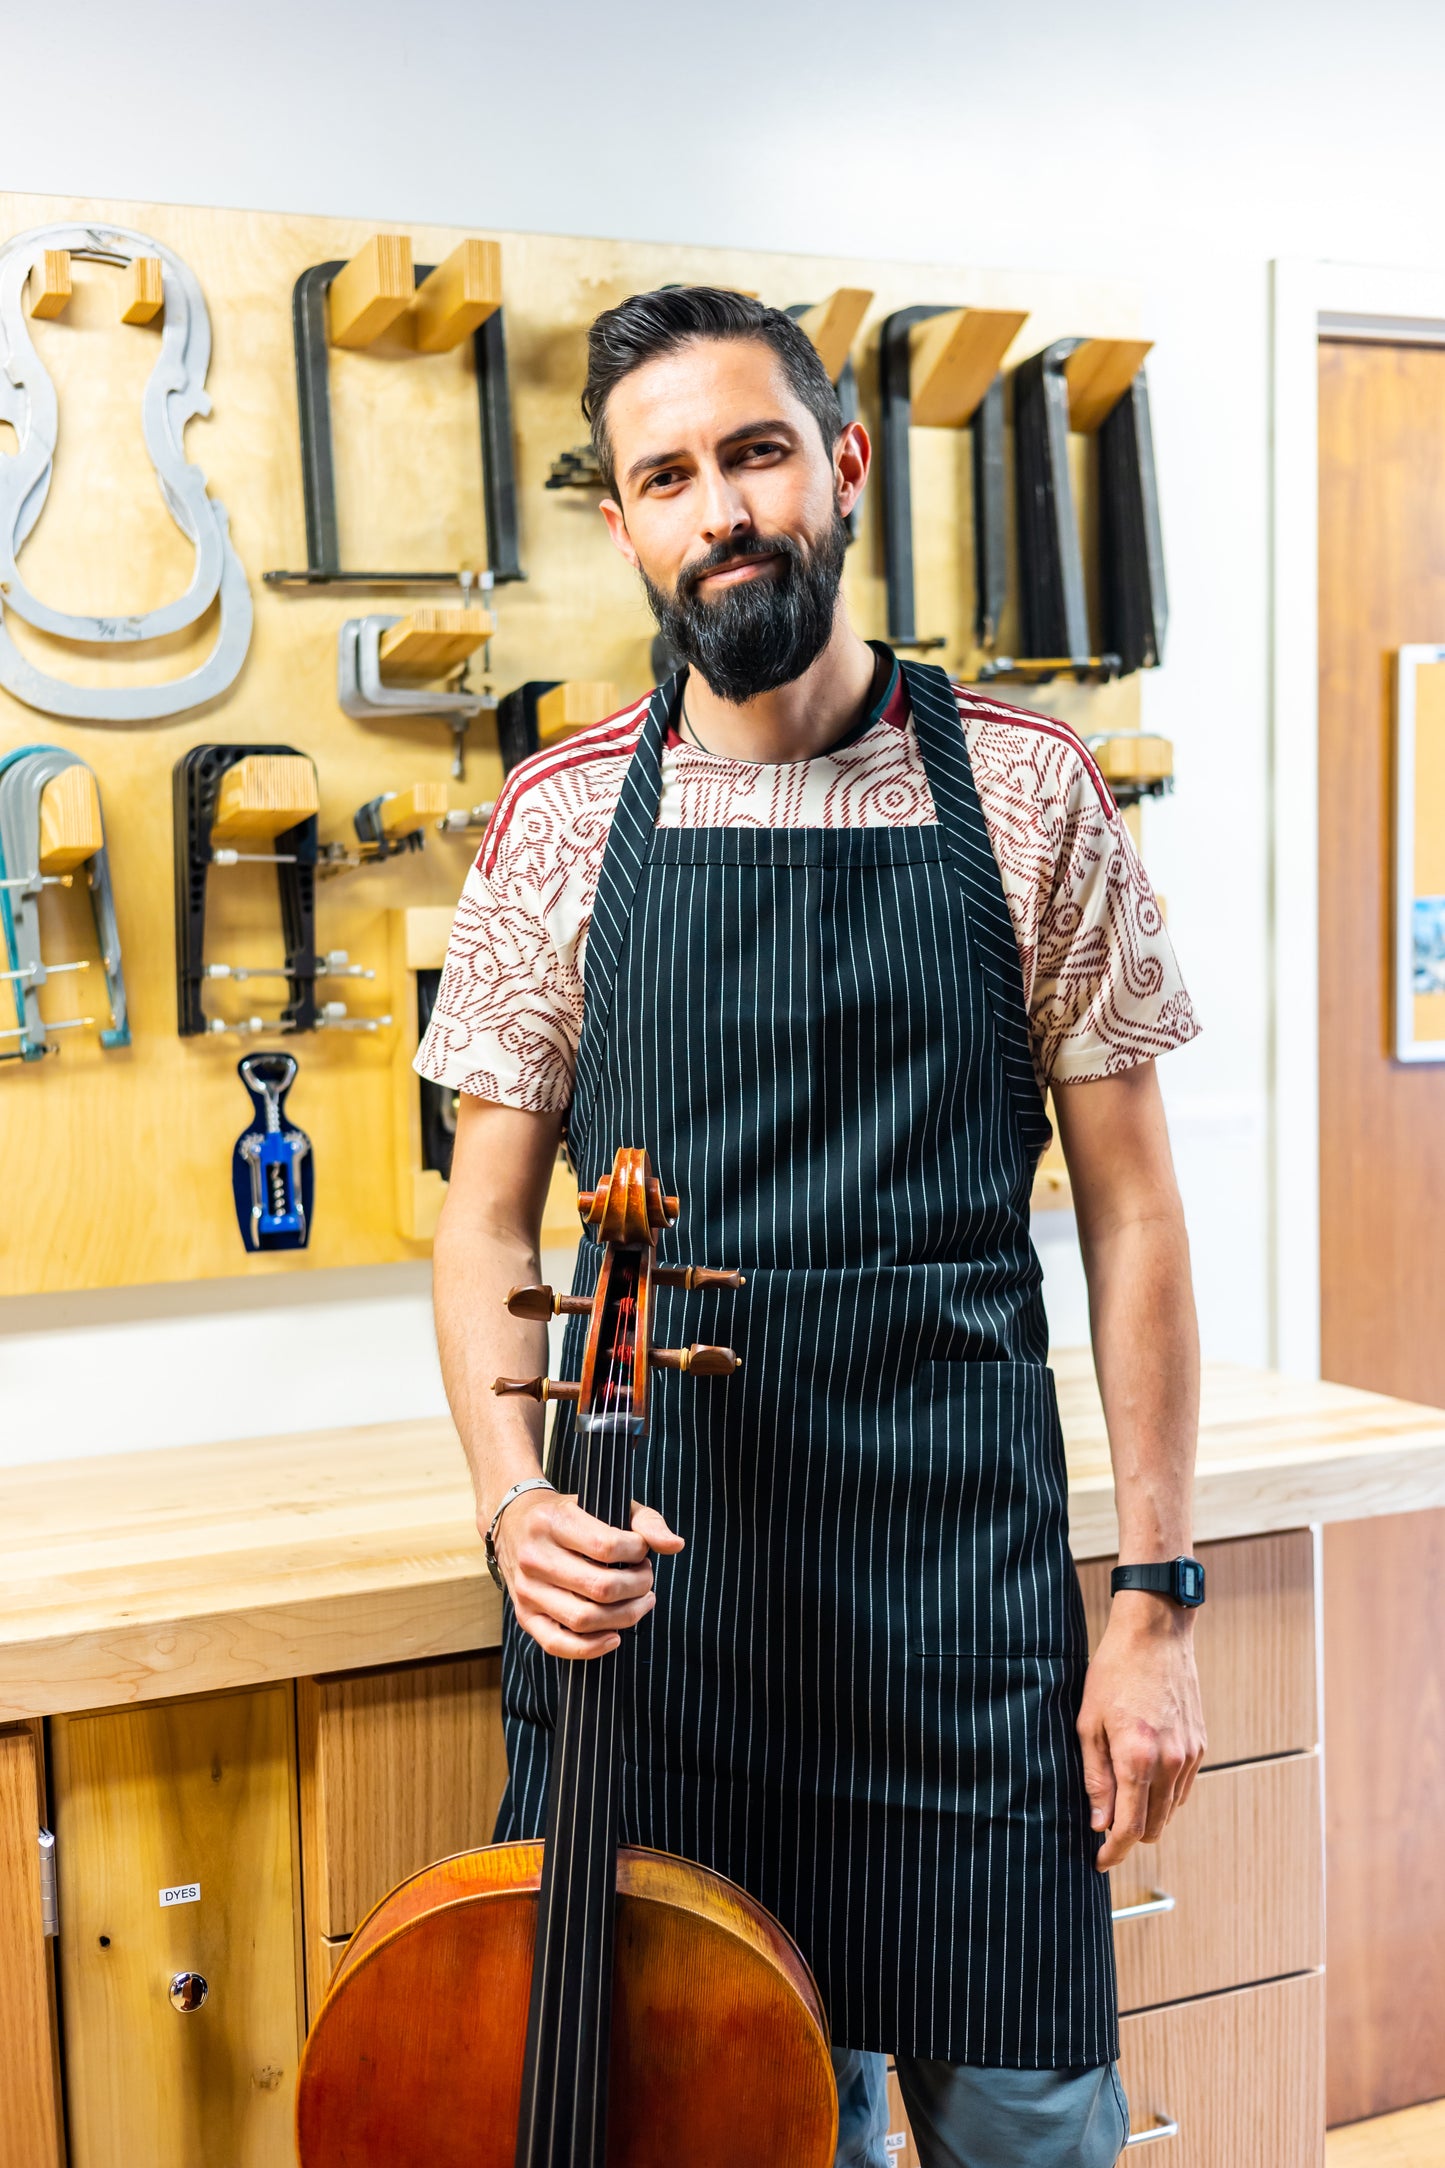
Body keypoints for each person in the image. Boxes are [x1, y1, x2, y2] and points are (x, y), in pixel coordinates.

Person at [420, 286, 1207, 2168]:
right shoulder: (550, 821)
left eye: (754, 451)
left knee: (1031, 2134)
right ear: (623, 526)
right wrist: (512, 1500)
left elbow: (1138, 1215)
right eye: (667, 476)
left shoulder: (1026, 791)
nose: (721, 509)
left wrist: (1156, 1600)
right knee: (758, 2134)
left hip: (965, 1637)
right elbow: (479, 1230)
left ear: (840, 466)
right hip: (666, 1630)